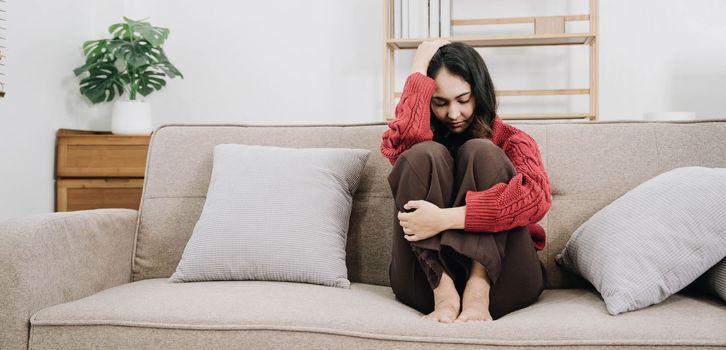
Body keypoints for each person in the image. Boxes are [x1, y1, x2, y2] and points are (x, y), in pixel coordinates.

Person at [380, 39, 552, 324]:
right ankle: (445, 293)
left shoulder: (513, 140)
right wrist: (418, 69)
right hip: (426, 284)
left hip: (503, 282)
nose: (453, 114)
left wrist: (445, 219)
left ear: (480, 93)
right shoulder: (426, 139)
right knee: (421, 154)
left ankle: (477, 290)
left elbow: (536, 198)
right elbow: (401, 151)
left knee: (481, 150)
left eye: (463, 100)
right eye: (440, 102)